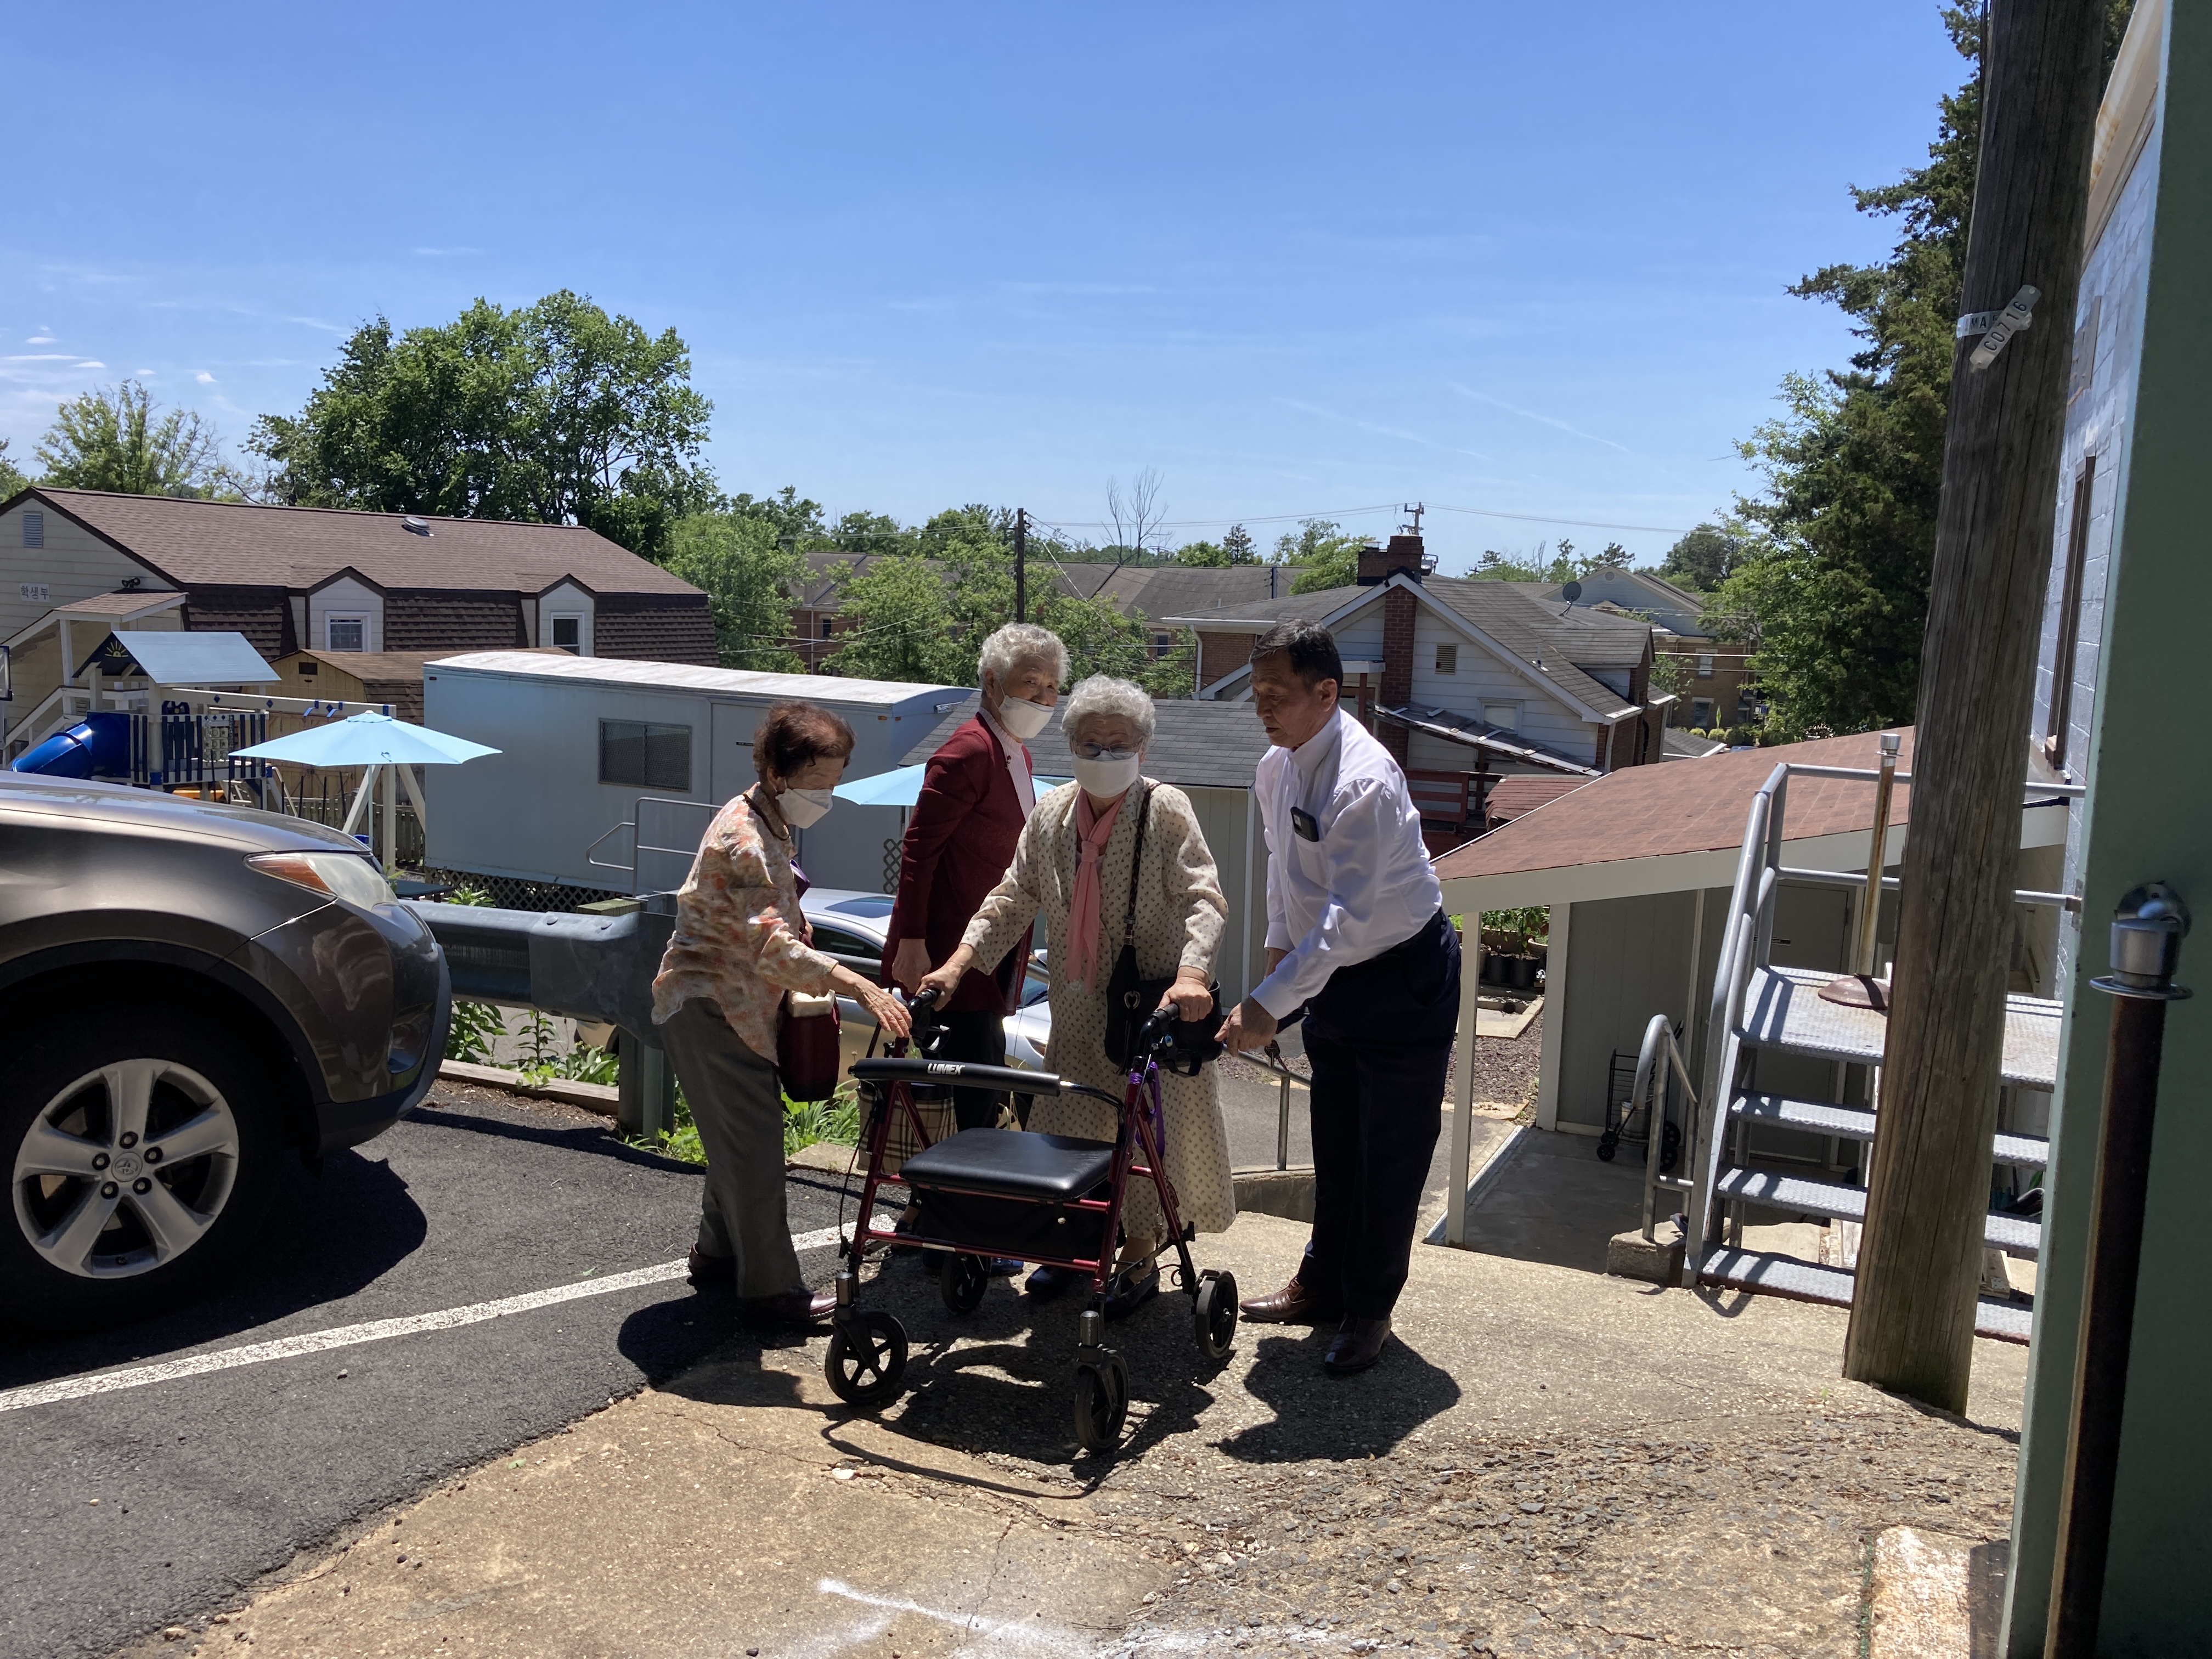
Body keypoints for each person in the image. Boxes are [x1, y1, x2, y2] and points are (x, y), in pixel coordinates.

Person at [919, 674, 1235, 1318]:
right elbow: (1011, 898)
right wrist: (957, 965)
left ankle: (1138, 1252)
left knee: (1142, 1134)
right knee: (1070, 1129)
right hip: (1076, 1009)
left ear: (1143, 747)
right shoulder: (1051, 812)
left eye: (1119, 743)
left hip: (1148, 1012)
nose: (1104, 754)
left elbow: (1204, 898)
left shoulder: (1166, 808)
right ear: (1070, 746)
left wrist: (1192, 975)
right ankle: (1075, 1246)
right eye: (1090, 742)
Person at [1218, 620, 1462, 1375]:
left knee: (1390, 1154)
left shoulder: (1364, 781)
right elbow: (1282, 870)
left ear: (1327, 693)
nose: (1263, 708)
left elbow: (1349, 916)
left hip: (1402, 974)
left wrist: (1269, 1003)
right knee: (1336, 1139)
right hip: (1333, 974)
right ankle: (1322, 1284)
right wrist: (1275, 955)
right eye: (1256, 694)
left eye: (1277, 694)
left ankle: (1369, 1310)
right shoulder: (1276, 766)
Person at [650, 699, 912, 1327]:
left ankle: (717, 1255)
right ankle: (772, 1292)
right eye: (818, 782)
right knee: (756, 1148)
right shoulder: (748, 837)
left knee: (739, 1138)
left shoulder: (763, 818)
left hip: (727, 1005)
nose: (826, 796)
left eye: (834, 781)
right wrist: (856, 983)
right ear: (776, 773)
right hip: (715, 1004)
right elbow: (769, 944)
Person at [885, 622, 1069, 1130]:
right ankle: (958, 1180)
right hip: (950, 955)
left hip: (993, 946)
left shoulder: (1016, 751)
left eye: (1052, 686)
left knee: (983, 1083)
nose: (1044, 697)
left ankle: (964, 1178)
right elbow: (919, 849)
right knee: (972, 1091)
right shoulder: (969, 749)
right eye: (1031, 681)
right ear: (992, 681)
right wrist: (912, 940)